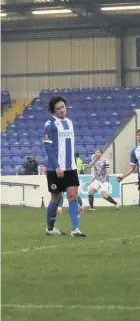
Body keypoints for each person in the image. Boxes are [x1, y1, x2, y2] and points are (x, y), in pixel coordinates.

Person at [43, 96, 85, 237]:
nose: (62, 110)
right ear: (53, 111)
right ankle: (50, 228)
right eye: (58, 108)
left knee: (73, 196)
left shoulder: (70, 122)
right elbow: (48, 148)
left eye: (63, 107)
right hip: (55, 169)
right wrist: (56, 166)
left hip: (71, 168)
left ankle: (75, 229)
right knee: (56, 198)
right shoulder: (50, 124)